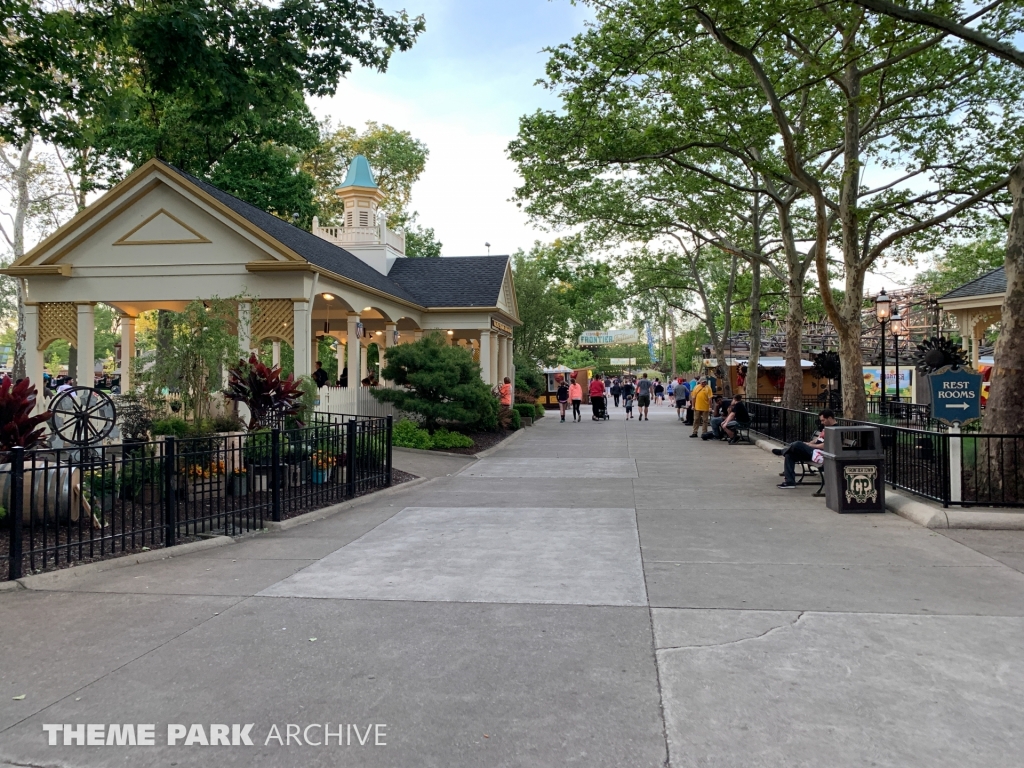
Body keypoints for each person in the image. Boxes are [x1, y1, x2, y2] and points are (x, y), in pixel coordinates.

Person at [774, 409, 838, 488]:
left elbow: (826, 445)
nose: (822, 422)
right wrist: (809, 443)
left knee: (797, 444)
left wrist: (810, 446)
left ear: (830, 418)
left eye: (823, 420)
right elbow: (817, 440)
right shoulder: (826, 428)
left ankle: (782, 451)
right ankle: (790, 482)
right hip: (813, 452)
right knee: (789, 455)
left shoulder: (836, 430)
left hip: (821, 454)